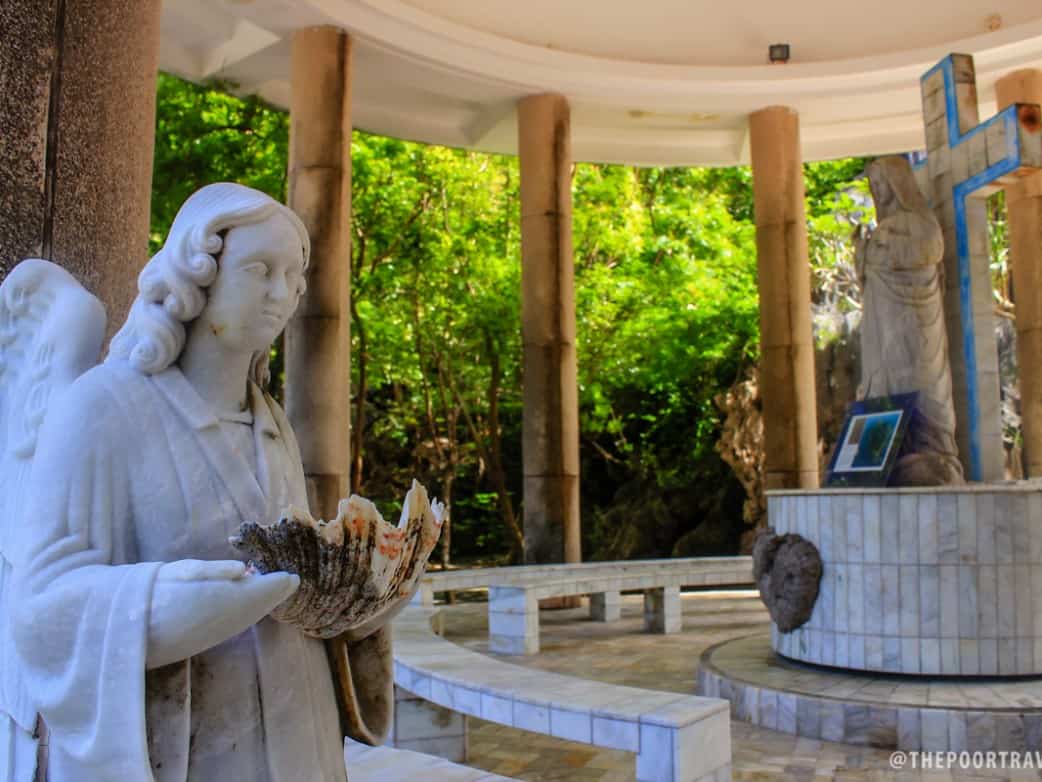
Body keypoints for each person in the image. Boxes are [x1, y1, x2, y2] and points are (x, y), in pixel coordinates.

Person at [9, 183, 388, 780]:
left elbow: (293, 586)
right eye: (260, 270)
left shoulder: (272, 423)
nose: (281, 293)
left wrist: (359, 604)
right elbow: (38, 609)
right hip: (190, 746)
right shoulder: (103, 408)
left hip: (300, 733)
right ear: (196, 273)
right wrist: (158, 601)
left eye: (293, 276)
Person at [856, 156, 964, 485]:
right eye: (875, 185)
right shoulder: (884, 227)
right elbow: (868, 274)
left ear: (899, 184)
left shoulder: (919, 222)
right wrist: (863, 253)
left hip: (913, 321)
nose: (879, 191)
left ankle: (934, 454)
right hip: (883, 325)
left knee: (922, 385)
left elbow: (931, 249)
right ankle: (890, 454)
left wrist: (884, 248)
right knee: (885, 381)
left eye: (883, 183)